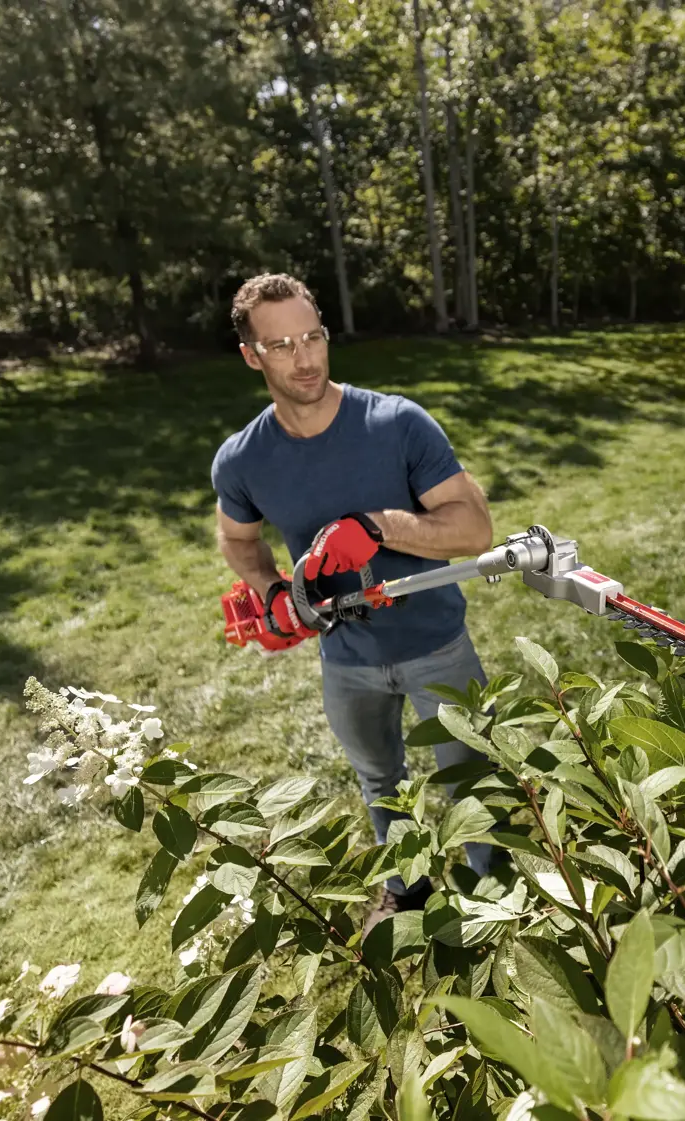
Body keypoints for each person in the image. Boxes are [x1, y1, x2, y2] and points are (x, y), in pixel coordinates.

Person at [210, 273, 503, 931]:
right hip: (346, 661)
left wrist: (380, 526)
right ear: (252, 355)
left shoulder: (396, 423)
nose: (306, 358)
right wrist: (274, 589)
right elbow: (236, 539)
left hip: (437, 646)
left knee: (476, 783)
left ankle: (503, 896)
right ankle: (408, 891)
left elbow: (475, 529)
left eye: (312, 336)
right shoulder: (243, 459)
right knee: (382, 783)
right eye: (281, 345)